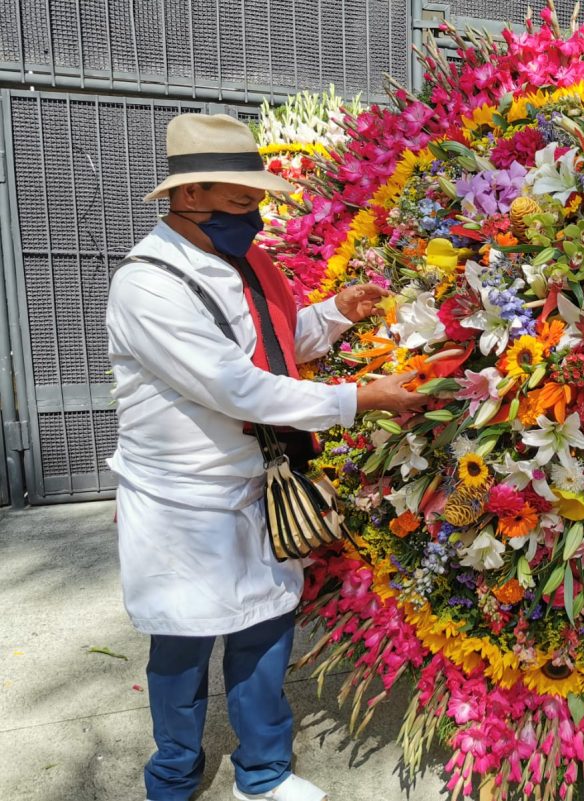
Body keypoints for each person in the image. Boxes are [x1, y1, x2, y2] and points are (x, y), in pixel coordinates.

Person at [106, 113, 424, 801]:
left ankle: (263, 773)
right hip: (181, 501)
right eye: (242, 201)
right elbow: (234, 384)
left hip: (256, 484)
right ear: (191, 196)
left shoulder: (243, 260)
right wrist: (361, 399)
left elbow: (275, 345)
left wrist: (336, 310)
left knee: (264, 631)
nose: (253, 218)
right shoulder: (147, 285)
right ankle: (173, 775)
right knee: (183, 646)